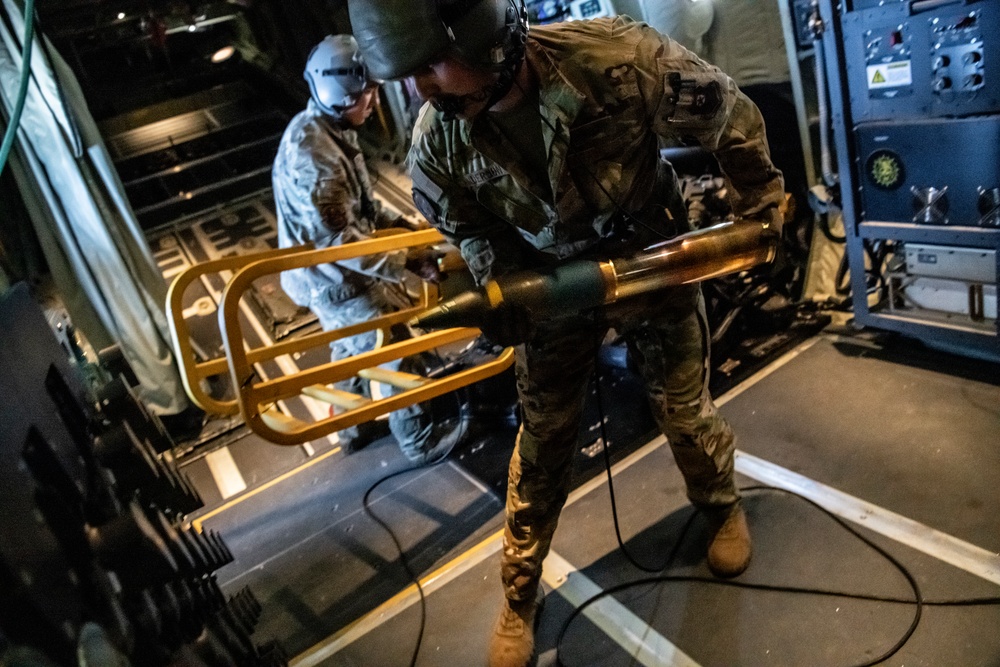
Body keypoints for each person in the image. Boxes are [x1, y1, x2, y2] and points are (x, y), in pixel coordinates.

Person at [348, 3, 786, 665]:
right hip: (551, 285)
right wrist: (504, 293)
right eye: (407, 74)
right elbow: (469, 226)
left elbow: (729, 113)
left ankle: (721, 505)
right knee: (545, 439)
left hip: (650, 262)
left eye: (429, 65)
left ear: (487, 41)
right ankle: (520, 593)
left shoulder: (619, 59)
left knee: (685, 410)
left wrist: (761, 205)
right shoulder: (439, 140)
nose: (420, 90)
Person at [273, 34, 464, 465]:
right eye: (365, 94)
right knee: (393, 343)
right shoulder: (314, 155)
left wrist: (405, 229)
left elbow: (360, 207)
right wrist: (409, 258)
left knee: (349, 348)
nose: (374, 102)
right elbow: (339, 244)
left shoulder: (328, 130)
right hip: (335, 280)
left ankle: (353, 429)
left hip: (328, 278)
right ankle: (421, 441)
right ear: (337, 96)